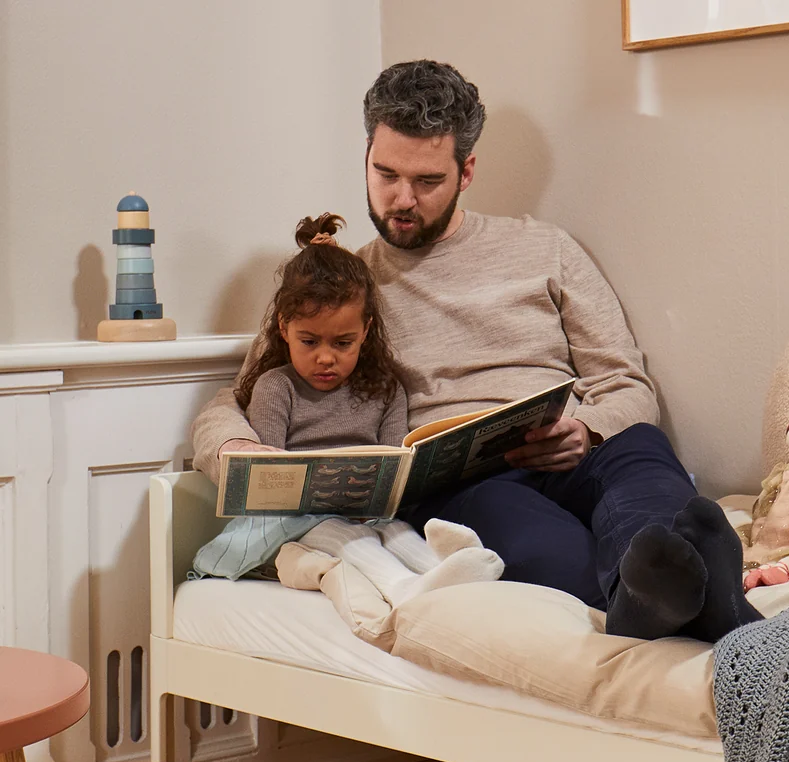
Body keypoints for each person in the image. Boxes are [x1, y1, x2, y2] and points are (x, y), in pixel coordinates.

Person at [191, 60, 758, 642]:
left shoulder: (545, 248)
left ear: (466, 171)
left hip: (571, 449)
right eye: (385, 174)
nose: (402, 199)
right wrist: (235, 447)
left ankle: (672, 585)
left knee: (642, 454)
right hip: (468, 484)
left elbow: (626, 384)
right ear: (367, 155)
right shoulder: (339, 290)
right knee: (547, 548)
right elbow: (232, 401)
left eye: (427, 181)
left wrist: (587, 430)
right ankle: (682, 602)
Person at [193, 212, 501, 603]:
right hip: (291, 524)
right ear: (284, 327)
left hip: (366, 513)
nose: (325, 358)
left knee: (396, 531)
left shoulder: (385, 389)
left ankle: (449, 568)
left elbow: (395, 466)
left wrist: (378, 500)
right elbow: (268, 482)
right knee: (346, 537)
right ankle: (402, 587)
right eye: (309, 342)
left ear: (365, 331)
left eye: (343, 343)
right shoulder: (276, 387)